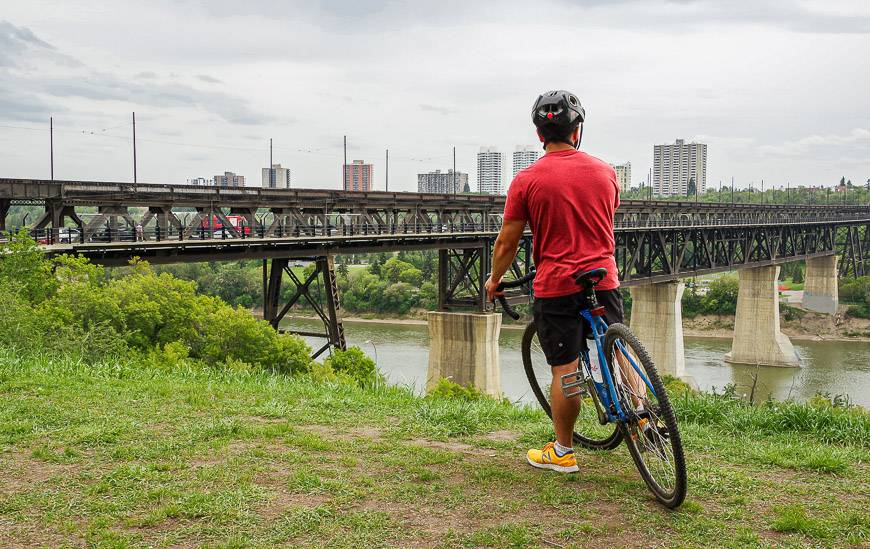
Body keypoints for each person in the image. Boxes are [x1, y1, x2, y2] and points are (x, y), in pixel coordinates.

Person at [485, 90, 638, 473]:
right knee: (618, 348)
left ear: (540, 135)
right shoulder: (606, 172)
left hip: (557, 286)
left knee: (565, 368)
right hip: (603, 278)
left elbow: (507, 240)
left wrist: (494, 280)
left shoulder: (527, 180)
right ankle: (643, 414)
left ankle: (563, 450)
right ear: (578, 130)